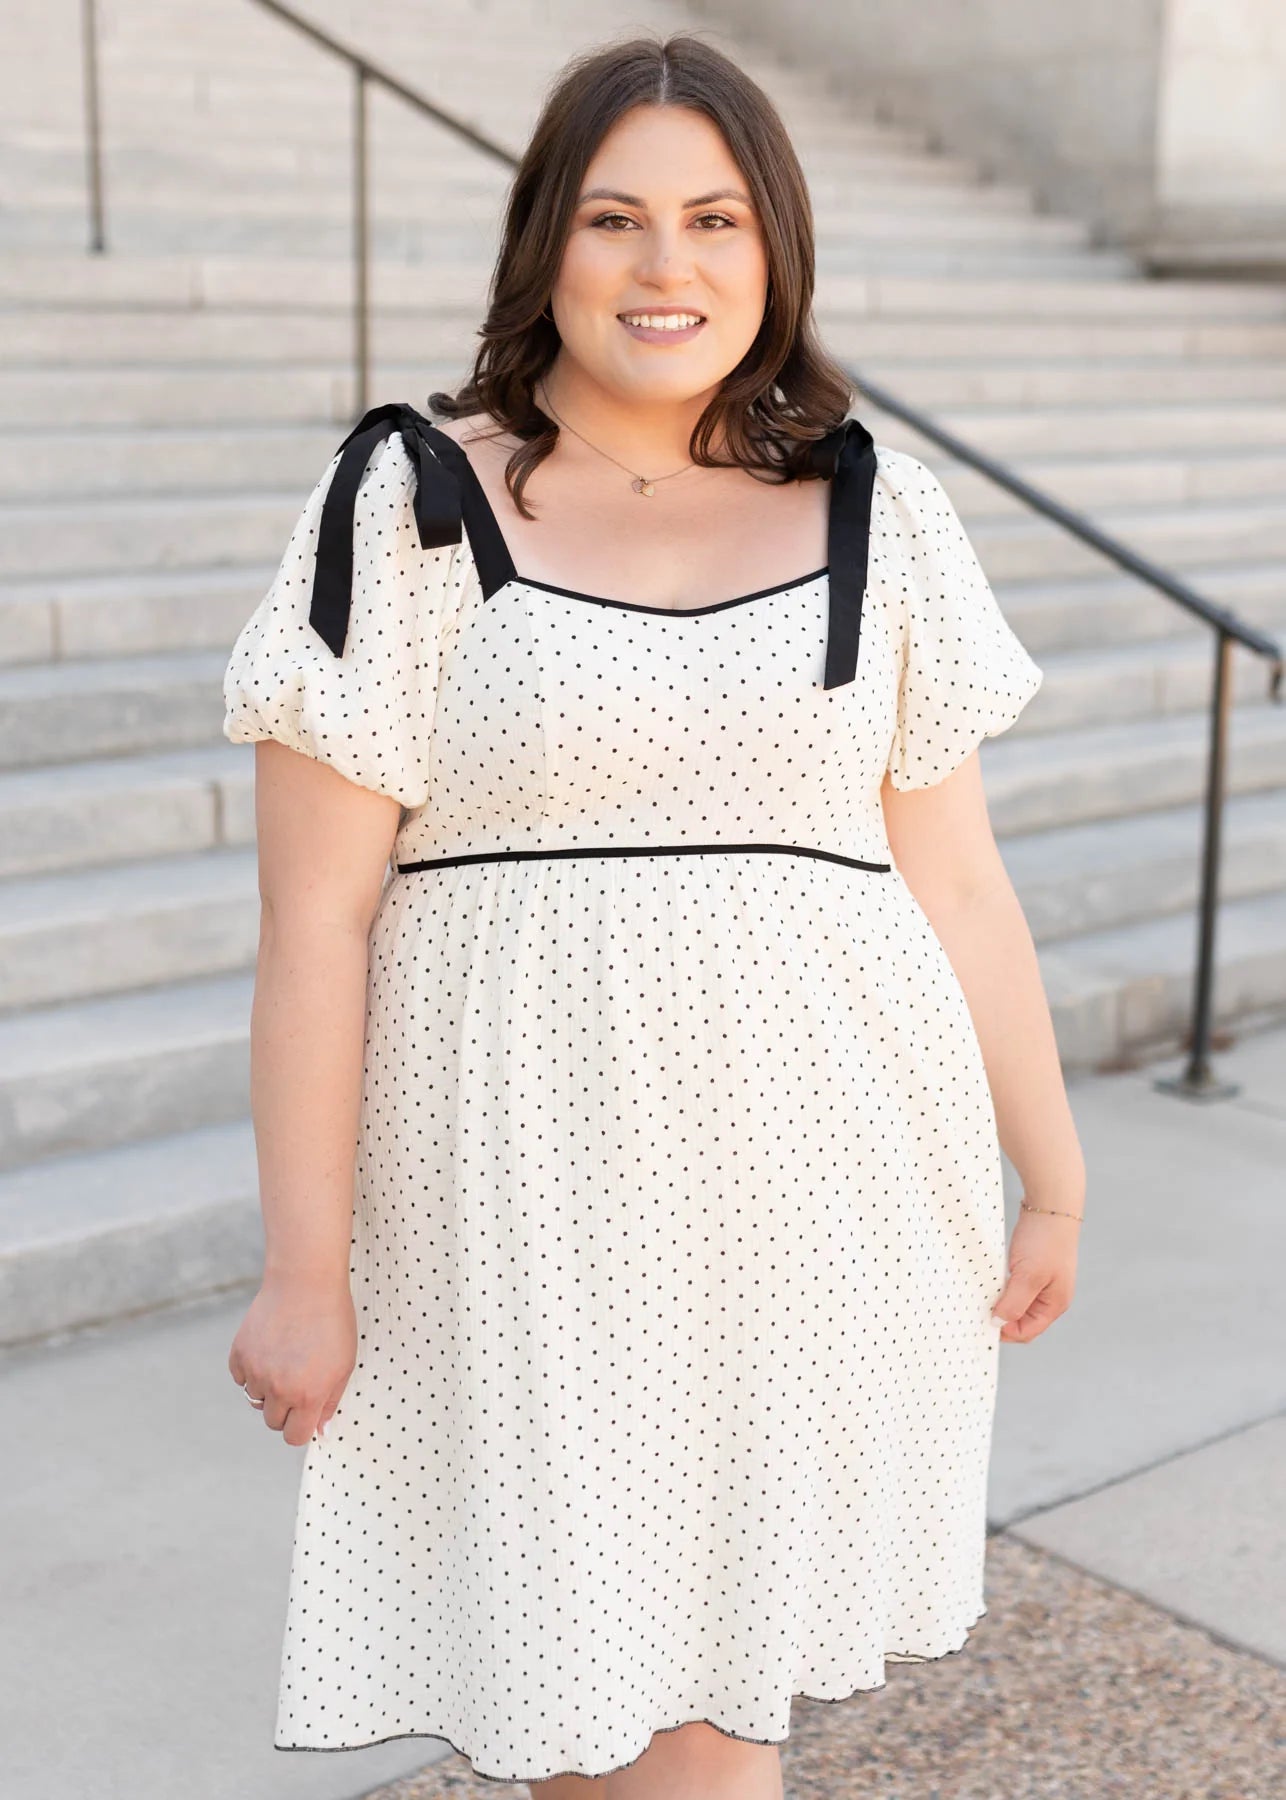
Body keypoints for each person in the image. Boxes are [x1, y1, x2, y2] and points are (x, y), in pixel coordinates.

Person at [223, 30, 1086, 1800]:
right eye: (614, 218)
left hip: (826, 1188)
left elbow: (958, 880)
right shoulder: (407, 501)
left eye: (714, 219)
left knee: (712, 1705)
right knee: (587, 1694)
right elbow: (315, 925)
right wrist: (304, 1270)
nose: (663, 265)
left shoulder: (878, 511)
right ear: (545, 240)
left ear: (775, 251)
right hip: (524, 1197)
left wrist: (1053, 1172)